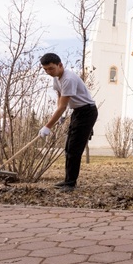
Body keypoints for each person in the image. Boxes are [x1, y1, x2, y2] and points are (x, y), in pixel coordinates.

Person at [39, 53, 98, 192]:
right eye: (45, 69)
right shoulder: (56, 78)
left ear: (60, 65)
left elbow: (63, 106)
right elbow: (60, 98)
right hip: (77, 112)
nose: (48, 72)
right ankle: (68, 180)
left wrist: (47, 126)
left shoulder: (68, 79)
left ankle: (71, 183)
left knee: (74, 149)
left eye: (51, 68)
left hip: (87, 112)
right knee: (68, 148)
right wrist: (61, 115)